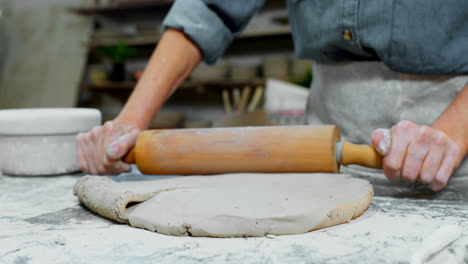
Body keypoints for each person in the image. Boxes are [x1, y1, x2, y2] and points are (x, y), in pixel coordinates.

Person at [77, 0, 468, 191]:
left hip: (457, 126)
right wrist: (129, 123)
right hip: (327, 133)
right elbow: (209, 8)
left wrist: (451, 134)